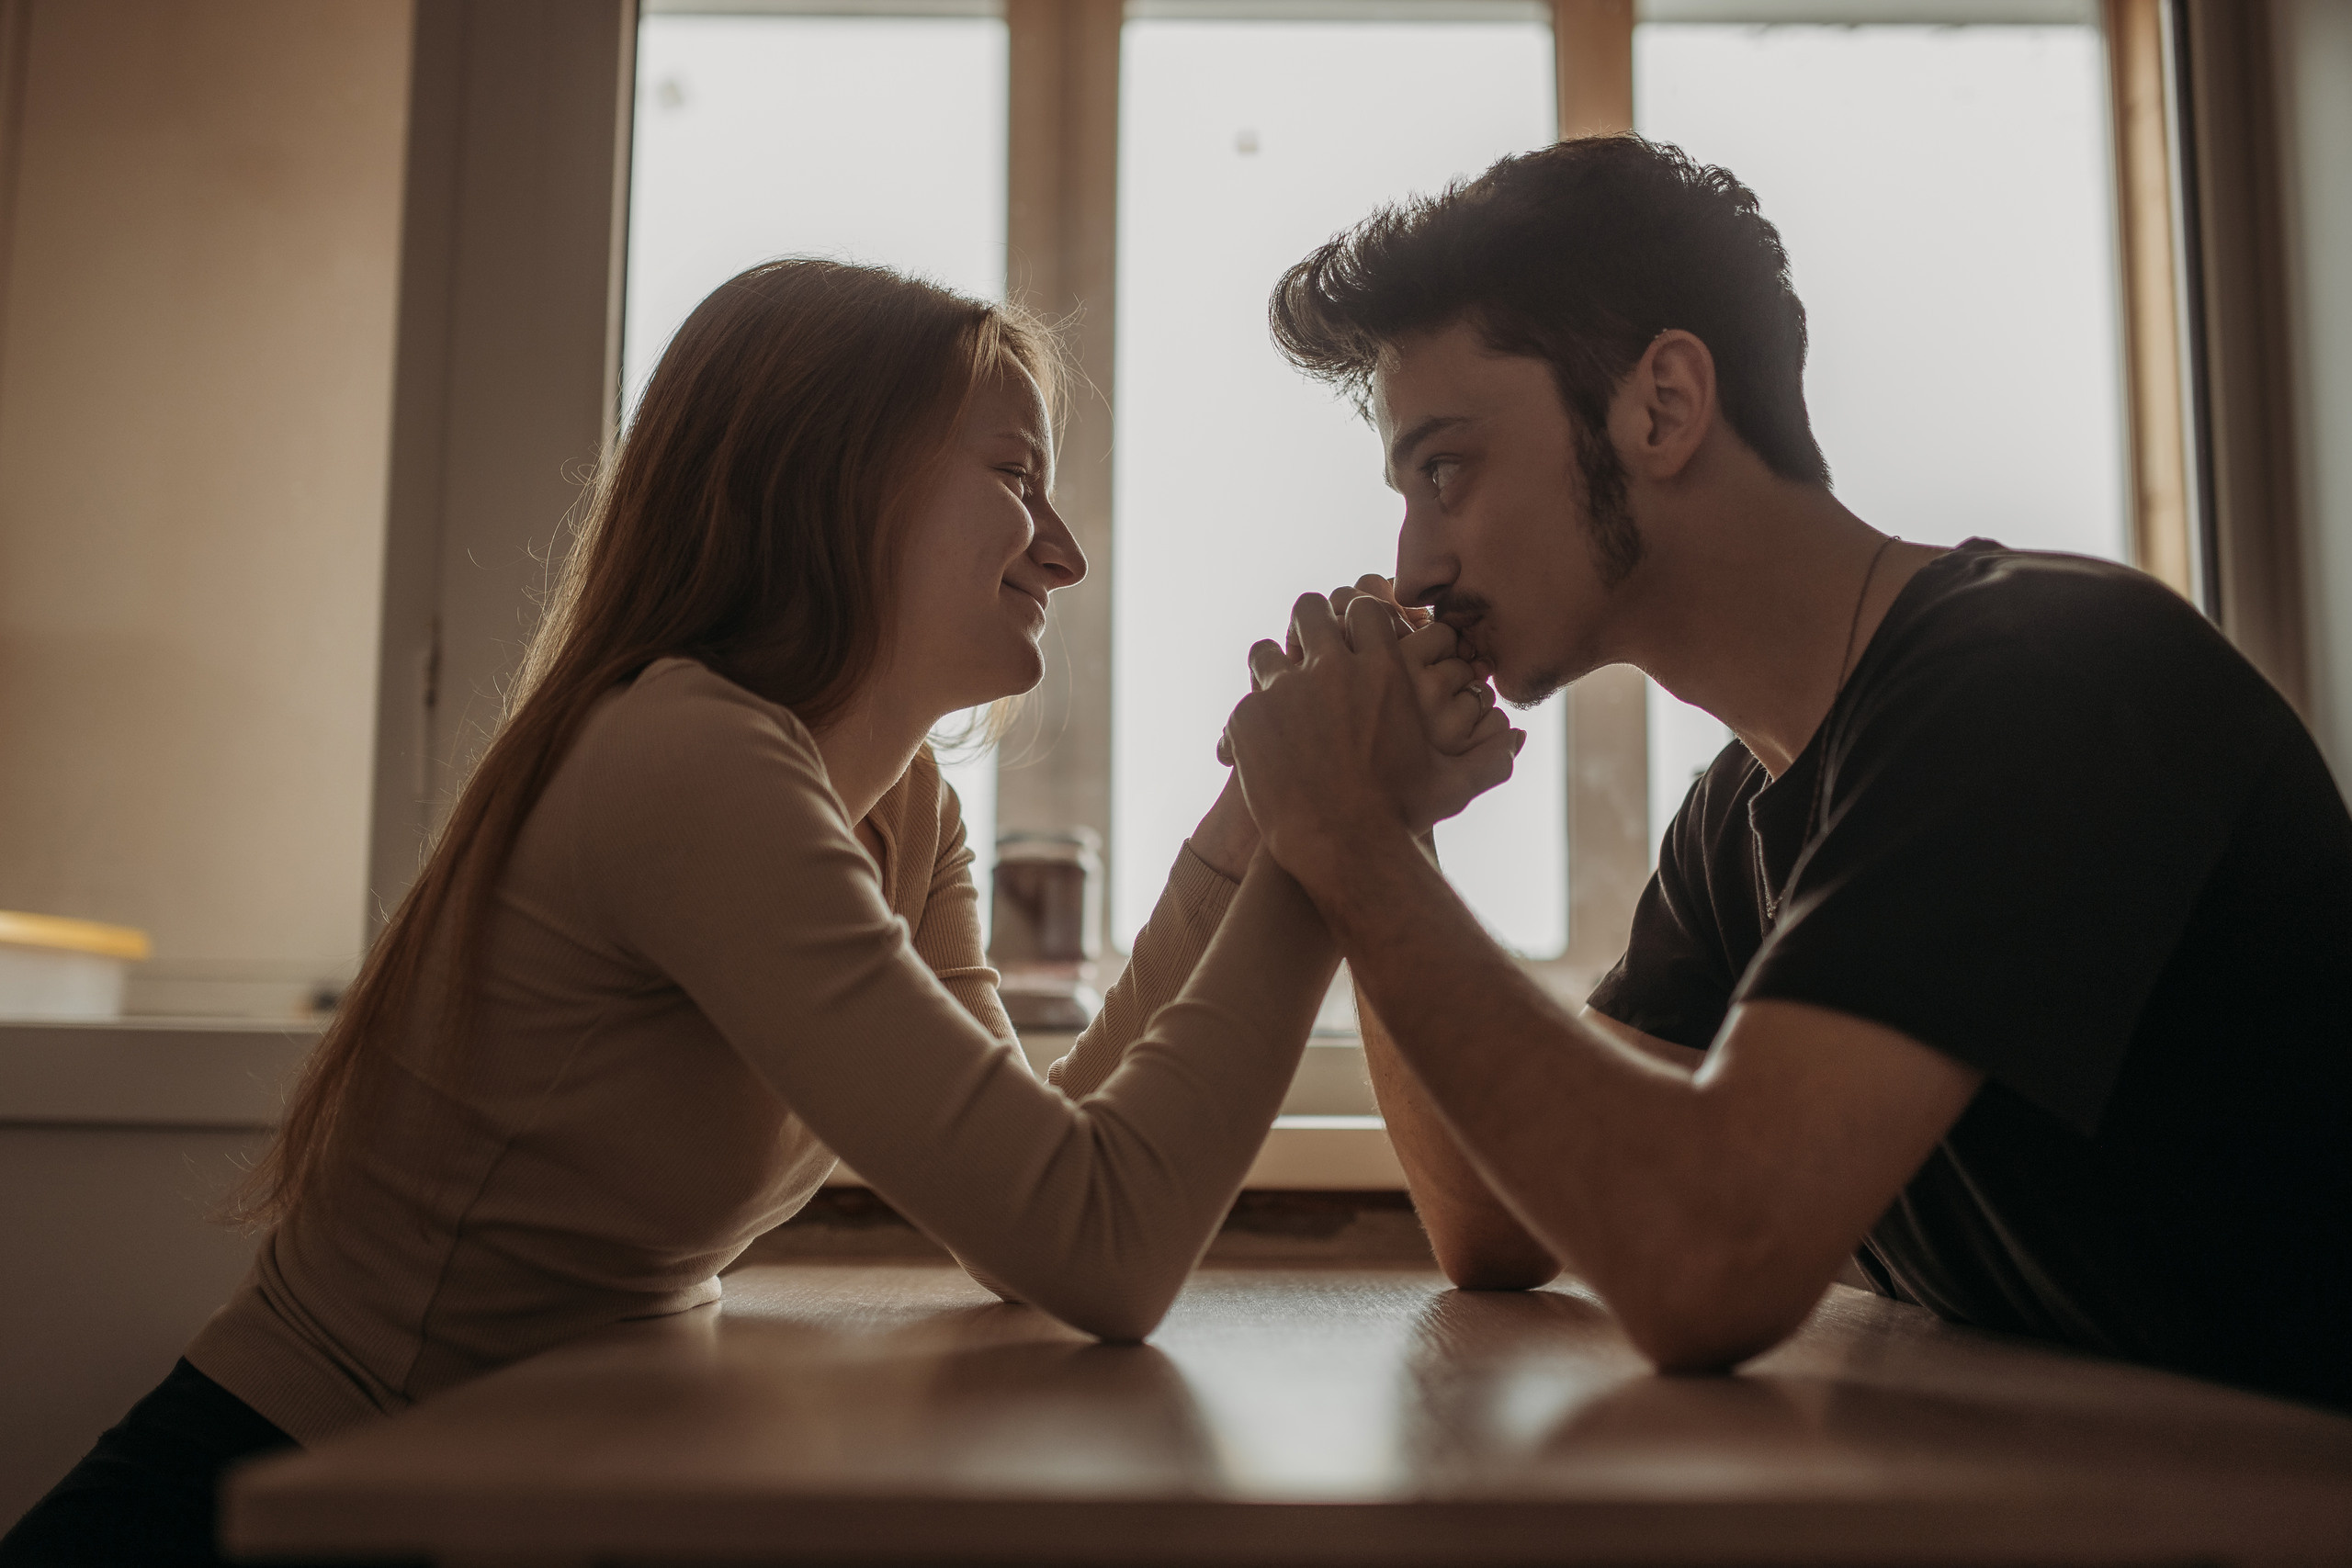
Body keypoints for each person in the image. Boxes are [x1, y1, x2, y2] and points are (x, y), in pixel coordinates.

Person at [0, 258, 1520, 1566]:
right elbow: (1099, 1245)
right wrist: (1340, 825)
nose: (1060, 551)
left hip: (515, 1483)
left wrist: (1263, 811)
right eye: (1014, 476)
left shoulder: (897, 802)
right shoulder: (686, 760)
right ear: (829, 476)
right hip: (286, 1497)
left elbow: (1039, 1181)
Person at [1222, 135, 2352, 1408]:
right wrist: (1388, 823)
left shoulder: (2040, 676)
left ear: (1662, 405)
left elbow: (1708, 1263)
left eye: (1446, 471)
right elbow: (1492, 1224)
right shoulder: (1737, 818)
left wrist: (1352, 846)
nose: (1416, 564)